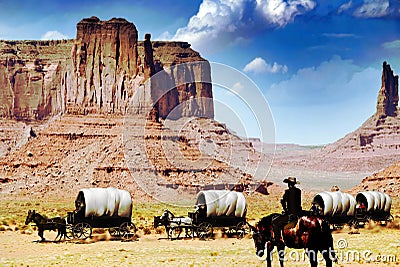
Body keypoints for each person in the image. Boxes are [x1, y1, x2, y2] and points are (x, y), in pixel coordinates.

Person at [272, 177, 302, 244]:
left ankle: (278, 239)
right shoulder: (298, 191)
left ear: (288, 184)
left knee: (275, 222)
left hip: (290, 213)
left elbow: (283, 202)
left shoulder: (287, 192)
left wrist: (285, 209)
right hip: (298, 212)